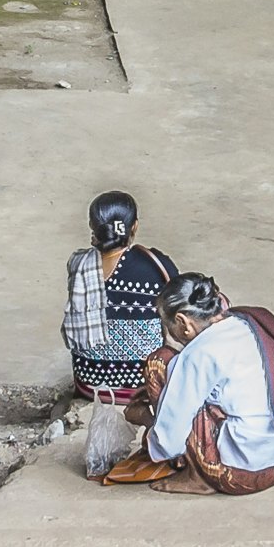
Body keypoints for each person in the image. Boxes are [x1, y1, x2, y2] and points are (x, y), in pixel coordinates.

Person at [99, 273, 274, 494]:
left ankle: (197, 478)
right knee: (194, 389)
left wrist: (145, 418)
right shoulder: (246, 323)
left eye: (167, 324)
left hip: (241, 475)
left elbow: (169, 443)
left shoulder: (199, 353)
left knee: (159, 362)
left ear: (183, 322)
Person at [63, 192, 181, 477]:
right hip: (136, 384)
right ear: (134, 226)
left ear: (93, 228)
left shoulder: (78, 264)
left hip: (89, 381)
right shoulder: (155, 264)